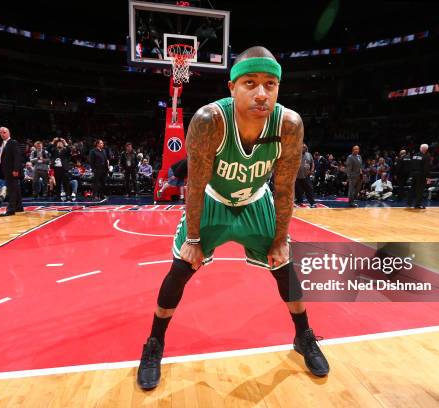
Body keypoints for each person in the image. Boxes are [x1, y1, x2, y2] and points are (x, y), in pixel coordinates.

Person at [136, 46, 329, 390]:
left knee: (286, 271)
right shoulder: (210, 120)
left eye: (270, 84)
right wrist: (194, 241)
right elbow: (194, 186)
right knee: (180, 270)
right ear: (232, 87)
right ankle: (154, 344)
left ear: (278, 89)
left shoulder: (289, 124)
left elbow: (285, 189)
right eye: (250, 83)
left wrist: (281, 240)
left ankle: (304, 336)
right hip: (212, 200)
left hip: (256, 201)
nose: (260, 93)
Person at [0, 127, 23, 216]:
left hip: (12, 170)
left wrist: (16, 169)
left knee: (11, 189)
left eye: (4, 132)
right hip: (6, 170)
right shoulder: (4, 143)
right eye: (0, 132)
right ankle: (19, 207)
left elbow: (17, 157)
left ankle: (10, 210)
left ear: (9, 133)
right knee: (15, 188)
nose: (2, 134)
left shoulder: (13, 142)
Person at [407, 144, 430, 209]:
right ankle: (417, 204)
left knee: (412, 189)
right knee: (420, 190)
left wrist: (411, 175)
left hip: (413, 174)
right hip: (421, 175)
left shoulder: (414, 155)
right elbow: (426, 168)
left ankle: (409, 203)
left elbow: (411, 165)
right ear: (425, 149)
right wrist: (428, 177)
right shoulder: (426, 156)